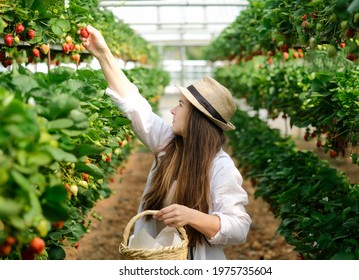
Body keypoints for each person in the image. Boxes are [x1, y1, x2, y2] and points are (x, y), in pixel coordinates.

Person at [79, 25, 251, 260]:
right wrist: (102, 54)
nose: (172, 110)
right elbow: (133, 104)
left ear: (197, 120)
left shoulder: (220, 166)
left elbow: (239, 227)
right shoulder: (168, 143)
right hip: (153, 257)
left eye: (180, 105)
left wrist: (192, 216)